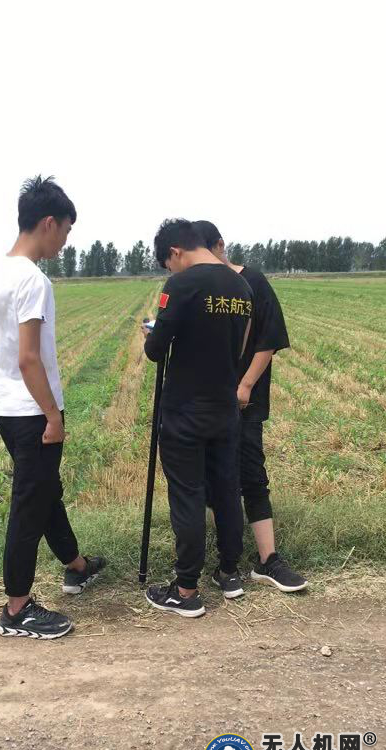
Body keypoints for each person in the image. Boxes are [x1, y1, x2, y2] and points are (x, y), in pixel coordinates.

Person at [0, 175, 105, 639]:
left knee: (45, 491)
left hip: (6, 407)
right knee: (29, 506)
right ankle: (17, 609)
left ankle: (76, 566)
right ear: (49, 223)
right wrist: (53, 415)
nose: (66, 241)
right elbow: (29, 358)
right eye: (67, 231)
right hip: (32, 411)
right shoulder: (33, 280)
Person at [142, 219, 253, 618]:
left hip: (185, 411)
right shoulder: (241, 286)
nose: (170, 270)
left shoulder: (181, 286)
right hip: (224, 408)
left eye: (168, 263)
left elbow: (156, 350)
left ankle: (186, 590)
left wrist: (150, 335)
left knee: (187, 494)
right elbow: (239, 347)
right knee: (226, 489)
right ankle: (229, 572)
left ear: (175, 252)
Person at [193, 220, 307, 592]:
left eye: (206, 254)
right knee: (213, 478)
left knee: (252, 474)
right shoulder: (203, 288)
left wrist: (244, 386)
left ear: (220, 246)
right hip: (208, 400)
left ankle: (268, 560)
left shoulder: (253, 282)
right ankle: (226, 560)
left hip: (244, 401)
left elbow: (269, 338)